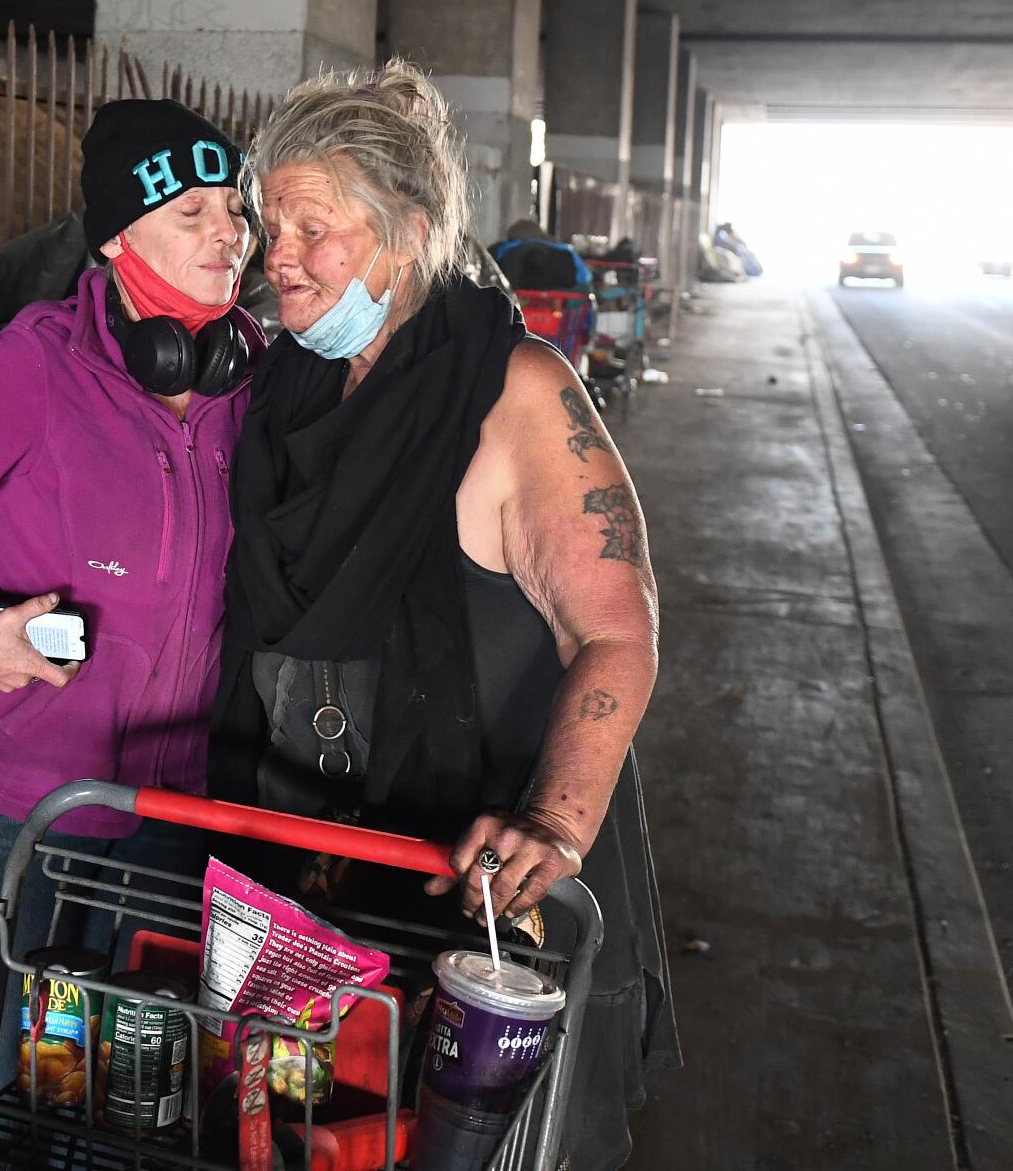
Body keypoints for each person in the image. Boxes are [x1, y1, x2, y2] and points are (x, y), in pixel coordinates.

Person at [209, 61, 678, 1170]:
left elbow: (614, 630)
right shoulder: (285, 388)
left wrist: (553, 826)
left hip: (477, 904)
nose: (275, 255)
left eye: (311, 226)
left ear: (405, 233)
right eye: (267, 222)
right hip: (309, 866)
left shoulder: (515, 393)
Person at [0, 98, 265, 1153]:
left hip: (171, 807)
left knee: (115, 1087)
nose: (228, 235)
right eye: (192, 214)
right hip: (24, 800)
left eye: (234, 210)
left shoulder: (254, 373)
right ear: (117, 239)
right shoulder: (36, 363)